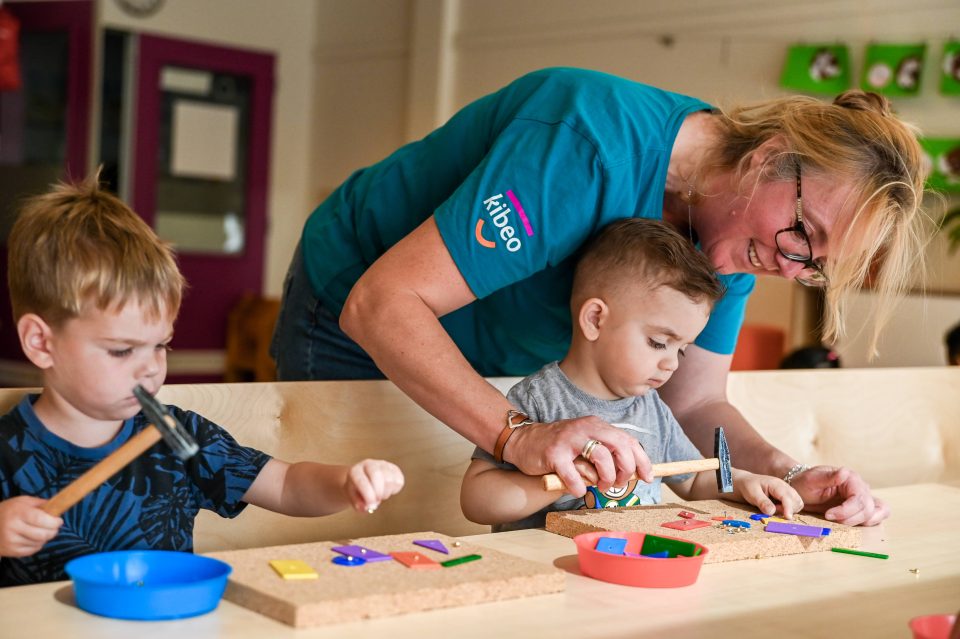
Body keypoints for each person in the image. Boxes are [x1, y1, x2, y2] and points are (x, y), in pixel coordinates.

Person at [272, 66, 928, 527]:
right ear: (770, 156)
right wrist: (516, 432)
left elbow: (694, 400)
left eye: (815, 264)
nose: (790, 264)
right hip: (357, 301)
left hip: (493, 357)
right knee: (352, 520)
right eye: (801, 233)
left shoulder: (737, 237)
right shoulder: (585, 145)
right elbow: (383, 303)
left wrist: (790, 473)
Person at [0, 174, 404, 587]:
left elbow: (285, 485)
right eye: (122, 350)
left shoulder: (178, 433)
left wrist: (346, 482)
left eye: (161, 346)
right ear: (41, 343)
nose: (150, 369)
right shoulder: (6, 451)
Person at [460, 219, 804, 530]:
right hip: (553, 576)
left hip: (633, 573)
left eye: (681, 349)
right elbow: (477, 500)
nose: (672, 364)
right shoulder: (538, 400)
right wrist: (558, 480)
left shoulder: (652, 409)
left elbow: (695, 482)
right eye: (658, 343)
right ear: (595, 319)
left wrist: (743, 482)